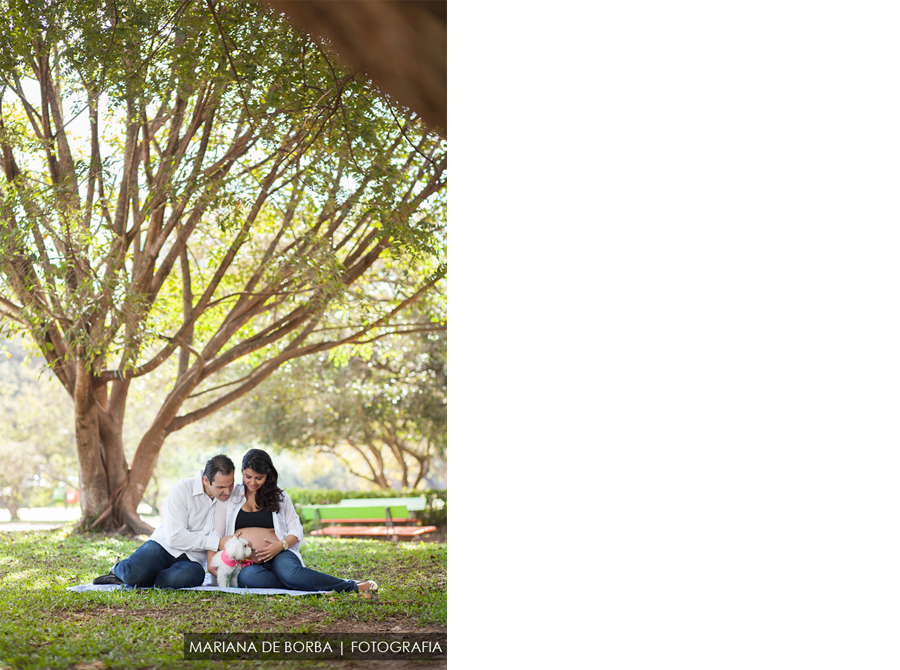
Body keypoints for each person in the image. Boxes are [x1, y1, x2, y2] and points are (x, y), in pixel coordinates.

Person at [210, 448, 378, 595]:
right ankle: (309, 583)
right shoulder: (231, 496)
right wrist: (212, 563)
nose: (252, 482)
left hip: (280, 554)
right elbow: (216, 534)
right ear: (242, 472)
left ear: (268, 475)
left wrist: (280, 545)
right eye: (248, 476)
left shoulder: (279, 496)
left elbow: (296, 530)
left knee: (291, 574)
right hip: (247, 562)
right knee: (248, 578)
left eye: (259, 478)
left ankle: (350, 586)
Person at [93, 454, 238, 589]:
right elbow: (175, 537)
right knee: (134, 573)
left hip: (193, 559)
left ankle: (144, 578)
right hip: (163, 546)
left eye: (230, 485)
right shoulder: (182, 489)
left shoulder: (231, 497)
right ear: (206, 480)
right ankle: (120, 569)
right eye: (221, 487)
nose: (227, 491)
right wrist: (216, 542)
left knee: (175, 580)